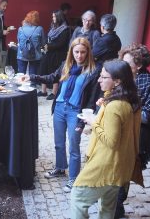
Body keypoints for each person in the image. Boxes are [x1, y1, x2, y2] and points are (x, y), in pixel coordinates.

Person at [23, 37, 101, 192]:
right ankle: (60, 168)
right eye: (76, 52)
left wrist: (83, 121)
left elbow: (92, 99)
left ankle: (73, 178)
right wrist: (31, 77)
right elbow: (52, 77)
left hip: (75, 112)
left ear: (88, 53)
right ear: (71, 52)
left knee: (74, 146)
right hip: (59, 107)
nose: (79, 55)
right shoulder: (66, 66)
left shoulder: (93, 71)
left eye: (83, 52)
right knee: (58, 143)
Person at [70, 60, 141, 219]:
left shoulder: (115, 106)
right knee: (107, 208)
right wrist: (102, 111)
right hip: (118, 167)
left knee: (78, 198)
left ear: (117, 81)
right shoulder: (125, 100)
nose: (99, 80)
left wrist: (94, 122)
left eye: (103, 77)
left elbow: (111, 141)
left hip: (106, 164)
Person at [115, 44, 150, 218]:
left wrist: (126, 112)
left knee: (124, 173)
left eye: (127, 63)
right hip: (116, 133)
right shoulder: (119, 78)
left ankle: (117, 211)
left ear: (139, 65)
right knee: (117, 170)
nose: (122, 66)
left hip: (137, 136)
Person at [38, 10, 70, 100]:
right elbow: (47, 38)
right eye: (52, 17)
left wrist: (48, 46)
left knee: (55, 72)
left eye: (54, 17)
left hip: (58, 54)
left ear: (59, 17)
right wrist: (44, 45)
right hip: (48, 52)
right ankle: (43, 91)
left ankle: (54, 92)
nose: (53, 18)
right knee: (43, 70)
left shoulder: (65, 29)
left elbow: (61, 43)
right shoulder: (53, 27)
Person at [13, 10, 45, 76]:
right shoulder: (39, 29)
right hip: (35, 56)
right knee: (33, 76)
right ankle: (33, 85)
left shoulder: (20, 29)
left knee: (21, 76)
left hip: (21, 55)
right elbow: (42, 43)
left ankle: (21, 85)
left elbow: (18, 41)